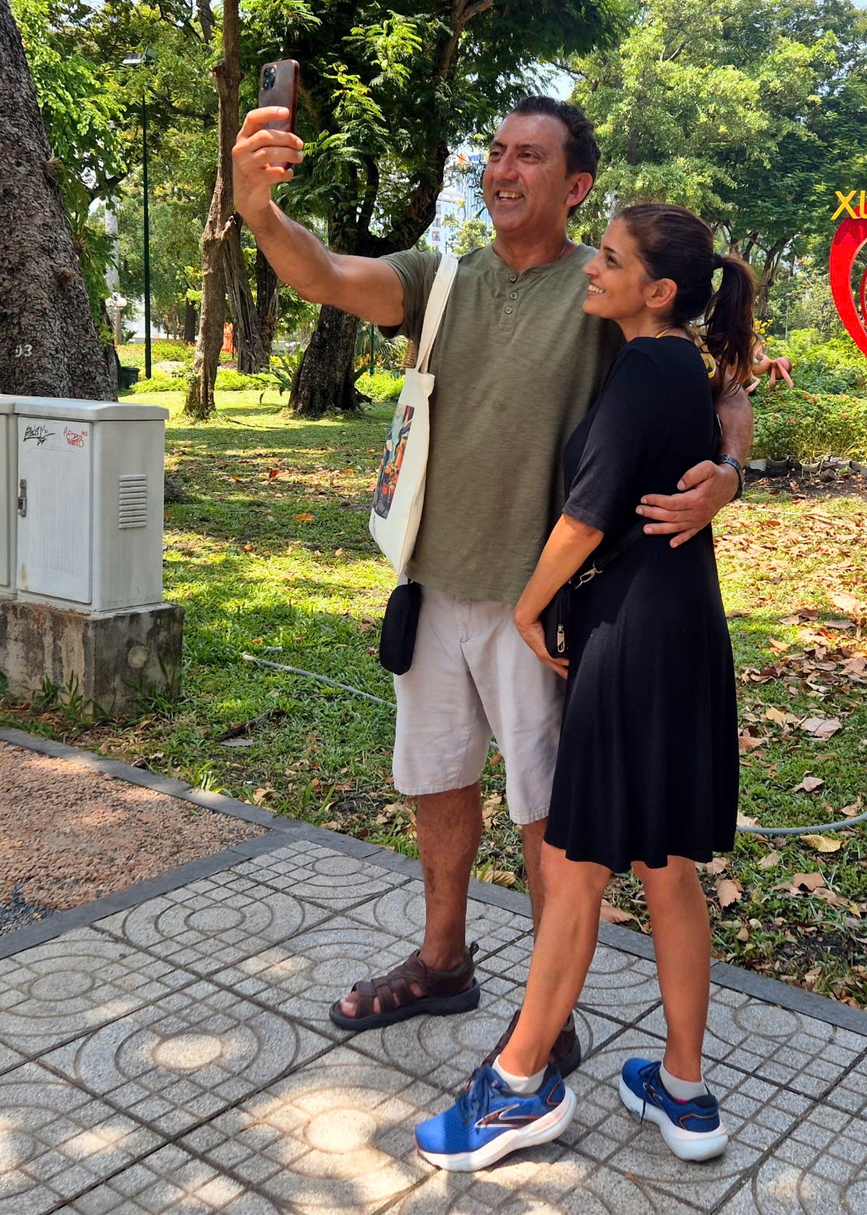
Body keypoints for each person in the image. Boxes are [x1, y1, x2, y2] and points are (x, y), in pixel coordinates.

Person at [229, 96, 753, 1070]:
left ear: (575, 185)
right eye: (497, 154)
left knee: (549, 818)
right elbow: (327, 276)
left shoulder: (602, 293)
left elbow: (721, 386)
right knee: (437, 785)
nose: (504, 172)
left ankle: (541, 1024)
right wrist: (261, 212)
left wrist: (726, 475)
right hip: (430, 586)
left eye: (530, 158)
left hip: (543, 614)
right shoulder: (441, 283)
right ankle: (441, 962)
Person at [414, 203, 748, 1172]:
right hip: (686, 633)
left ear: (658, 293)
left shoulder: (644, 370)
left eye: (608, 260)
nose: (590, 270)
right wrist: (734, 465)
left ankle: (517, 1086)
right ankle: (682, 1093)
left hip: (628, 637)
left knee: (576, 867)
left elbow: (585, 515)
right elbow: (729, 412)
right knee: (667, 870)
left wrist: (528, 608)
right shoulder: (674, 364)